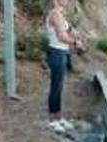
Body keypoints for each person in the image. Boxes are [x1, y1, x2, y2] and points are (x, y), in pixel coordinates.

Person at [46, 0, 84, 133]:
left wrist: (75, 39)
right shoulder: (55, 15)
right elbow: (61, 36)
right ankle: (52, 120)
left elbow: (67, 32)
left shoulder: (60, 15)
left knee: (60, 86)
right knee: (56, 86)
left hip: (61, 52)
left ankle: (58, 118)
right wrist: (75, 42)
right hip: (56, 52)